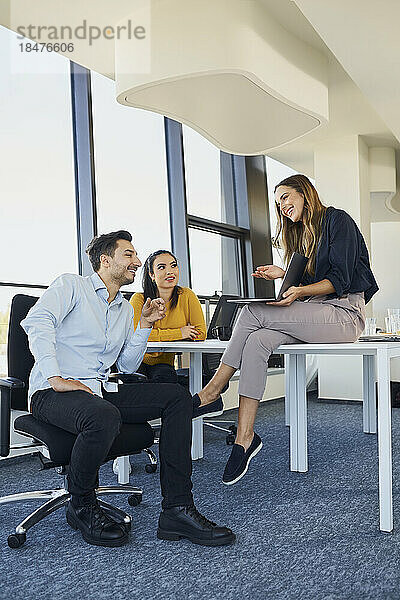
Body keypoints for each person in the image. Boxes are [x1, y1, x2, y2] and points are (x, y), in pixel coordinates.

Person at [21, 230, 235, 548]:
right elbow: (37, 322)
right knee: (102, 416)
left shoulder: (123, 308)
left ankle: (177, 509)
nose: (136, 261)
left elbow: (128, 365)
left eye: (136, 255)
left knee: (175, 396)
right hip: (52, 392)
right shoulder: (72, 286)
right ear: (105, 261)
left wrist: (145, 325)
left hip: (100, 388)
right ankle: (81, 505)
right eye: (129, 255)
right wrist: (55, 377)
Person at [192, 174, 379, 486]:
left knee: (251, 311)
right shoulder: (301, 237)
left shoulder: (337, 220)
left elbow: (340, 280)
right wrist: (284, 275)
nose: (282, 206)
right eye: (278, 202)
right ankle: (244, 437)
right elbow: (304, 286)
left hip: (344, 313)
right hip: (317, 311)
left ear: (305, 193)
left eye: (286, 197)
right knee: (257, 340)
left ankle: (212, 391)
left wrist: (300, 291)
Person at [130, 250, 207, 384]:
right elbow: (137, 336)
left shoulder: (187, 295)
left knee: (167, 380)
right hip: (136, 361)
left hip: (163, 364)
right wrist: (180, 332)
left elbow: (200, 333)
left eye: (173, 265)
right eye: (162, 267)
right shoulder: (139, 299)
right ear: (151, 275)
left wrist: (159, 335)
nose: (170, 271)